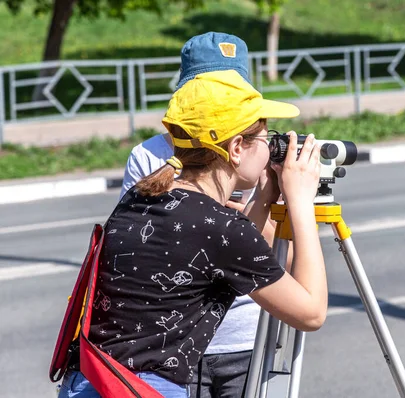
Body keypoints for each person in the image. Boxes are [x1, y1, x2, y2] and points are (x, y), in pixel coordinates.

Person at [57, 46, 327, 398]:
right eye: (265, 137)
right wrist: (301, 202)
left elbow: (224, 251)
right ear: (236, 149)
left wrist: (264, 198)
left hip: (91, 382)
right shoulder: (220, 228)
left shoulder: (140, 197)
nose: (271, 146)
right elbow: (311, 313)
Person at [116, 32, 287, 398]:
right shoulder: (149, 157)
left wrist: (244, 223)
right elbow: (149, 251)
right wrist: (219, 223)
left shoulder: (257, 149)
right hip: (181, 338)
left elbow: (275, 251)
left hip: (245, 332)